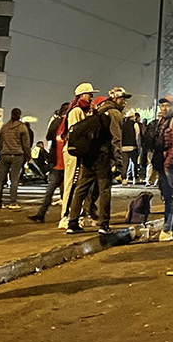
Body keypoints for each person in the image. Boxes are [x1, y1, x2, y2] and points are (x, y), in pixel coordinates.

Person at [65, 87, 130, 234]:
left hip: (89, 155)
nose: (124, 102)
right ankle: (104, 224)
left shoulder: (98, 110)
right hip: (102, 156)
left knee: (81, 189)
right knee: (104, 189)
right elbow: (116, 139)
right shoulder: (114, 113)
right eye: (122, 99)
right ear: (114, 99)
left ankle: (72, 223)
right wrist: (118, 161)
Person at [56, 83, 96, 229]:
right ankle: (65, 216)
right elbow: (76, 133)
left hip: (78, 152)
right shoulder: (76, 111)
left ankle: (75, 215)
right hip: (74, 152)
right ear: (82, 95)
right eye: (90, 94)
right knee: (71, 184)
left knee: (78, 184)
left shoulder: (82, 111)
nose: (91, 97)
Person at [28, 104, 70, 223]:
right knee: (67, 192)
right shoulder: (70, 122)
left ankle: (42, 214)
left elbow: (48, 136)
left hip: (56, 162)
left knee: (51, 191)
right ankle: (67, 216)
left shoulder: (57, 122)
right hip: (65, 162)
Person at [152, 95, 173, 242]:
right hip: (163, 161)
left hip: (172, 164)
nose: (164, 108)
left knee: (169, 197)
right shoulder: (163, 121)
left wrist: (168, 164)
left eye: (168, 106)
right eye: (162, 106)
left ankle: (167, 230)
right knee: (168, 196)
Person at [0, 108, 29, 209]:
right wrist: (28, 156)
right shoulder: (22, 127)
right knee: (14, 179)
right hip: (17, 155)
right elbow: (26, 144)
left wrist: (0, 154)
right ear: (19, 115)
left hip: (4, 155)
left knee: (1, 179)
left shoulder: (4, 128)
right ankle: (13, 202)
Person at [120, 109, 141, 184]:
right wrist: (139, 147)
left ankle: (124, 179)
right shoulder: (135, 125)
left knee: (124, 164)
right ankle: (135, 178)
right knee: (134, 163)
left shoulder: (122, 125)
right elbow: (137, 136)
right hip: (133, 147)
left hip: (123, 147)